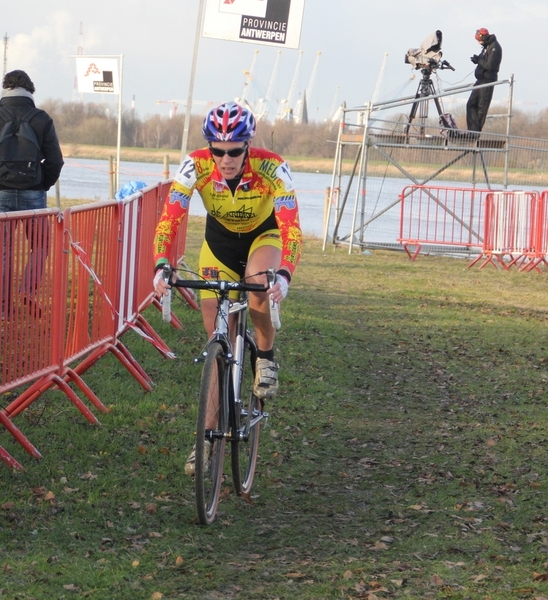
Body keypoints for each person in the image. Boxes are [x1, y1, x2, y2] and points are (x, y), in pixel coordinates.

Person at [152, 101, 302, 475]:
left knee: (256, 286)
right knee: (217, 336)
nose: (226, 159)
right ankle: (204, 437)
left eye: (234, 151)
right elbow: (170, 218)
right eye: (218, 151)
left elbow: (292, 227)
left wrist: (283, 273)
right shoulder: (196, 165)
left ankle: (265, 356)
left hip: (262, 237)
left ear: (247, 146)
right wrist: (161, 265)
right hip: (218, 245)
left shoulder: (271, 167)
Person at [0, 70, 64, 318]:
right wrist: (41, 184)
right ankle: (27, 288)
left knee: (3, 251)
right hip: (33, 194)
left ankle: (3, 308)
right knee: (40, 245)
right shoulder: (41, 118)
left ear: (5, 88)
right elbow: (55, 160)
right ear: (30, 91)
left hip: (1, 192)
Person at [466, 28, 502, 134]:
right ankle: (471, 131)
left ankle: (475, 133)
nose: (478, 43)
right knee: (470, 104)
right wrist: (477, 60)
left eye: (479, 41)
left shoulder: (495, 47)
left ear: (485, 38)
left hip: (487, 81)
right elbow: (483, 61)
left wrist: (479, 61)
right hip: (480, 80)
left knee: (481, 108)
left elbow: (490, 65)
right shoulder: (486, 47)